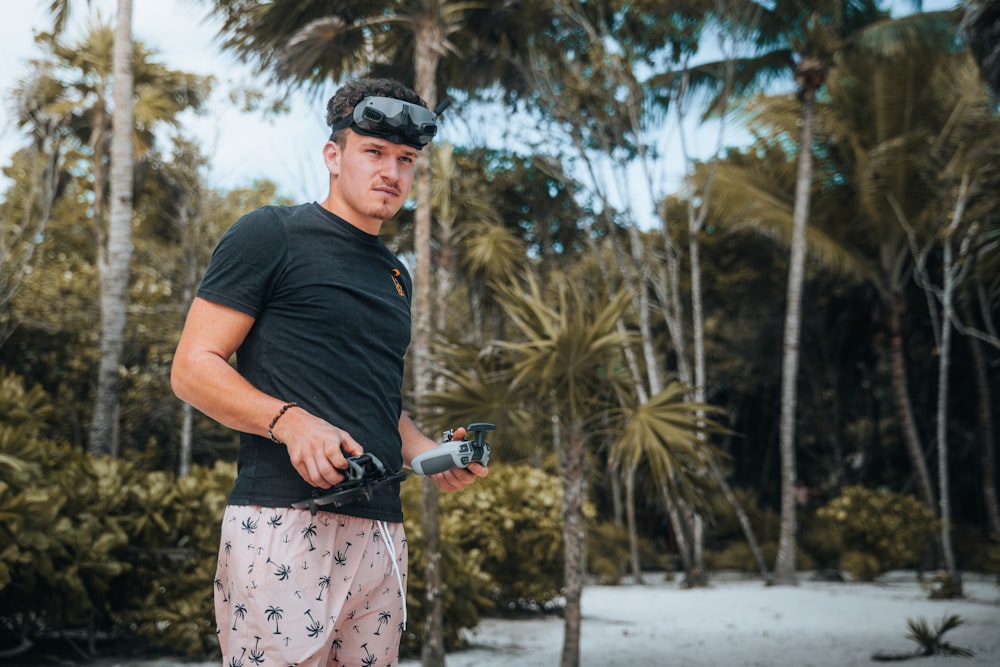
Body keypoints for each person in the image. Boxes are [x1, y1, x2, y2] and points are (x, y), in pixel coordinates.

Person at [170, 77, 487, 667]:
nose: (391, 171)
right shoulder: (271, 235)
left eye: (406, 159)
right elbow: (191, 367)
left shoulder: (396, 274)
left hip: (380, 536)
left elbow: (374, 398)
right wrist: (290, 424)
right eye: (374, 152)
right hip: (283, 524)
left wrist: (430, 456)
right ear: (334, 156)